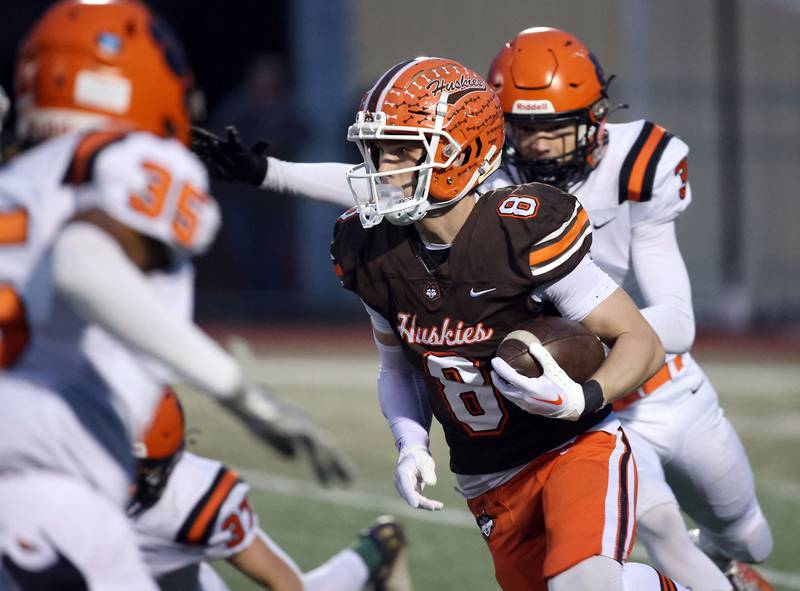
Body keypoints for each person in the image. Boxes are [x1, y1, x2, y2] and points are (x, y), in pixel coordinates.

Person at [192, 29, 774, 591]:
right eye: (376, 151)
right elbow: (396, 365)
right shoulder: (369, 248)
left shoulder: (521, 225)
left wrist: (582, 393)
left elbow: (646, 335)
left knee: (646, 562)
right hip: (489, 472)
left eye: (400, 151)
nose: (379, 170)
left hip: (581, 433)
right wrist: (411, 442)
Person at [0, 1, 343, 588]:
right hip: (45, 490)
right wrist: (239, 392)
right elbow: (83, 262)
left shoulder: (18, 179)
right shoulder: (134, 160)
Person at [478, 27, 772, 591]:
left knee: (751, 538)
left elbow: (677, 322)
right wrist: (272, 173)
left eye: (554, 126)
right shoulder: (490, 183)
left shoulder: (639, 164)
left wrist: (597, 340)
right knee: (659, 530)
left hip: (666, 384)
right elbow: (373, 186)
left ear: (595, 115)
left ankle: (726, 565)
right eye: (525, 127)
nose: (538, 145)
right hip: (592, 409)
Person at [131, 390, 411, 591]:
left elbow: (284, 582)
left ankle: (376, 551)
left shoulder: (190, 497)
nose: (125, 481)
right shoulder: (88, 488)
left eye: (141, 470)